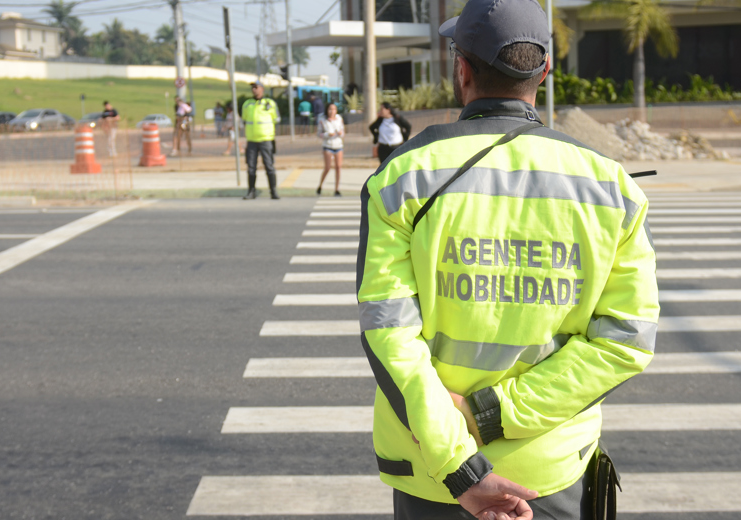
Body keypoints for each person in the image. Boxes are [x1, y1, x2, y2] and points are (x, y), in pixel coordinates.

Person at [355, 1, 660, 519]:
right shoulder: (611, 187)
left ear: (462, 69)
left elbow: (391, 337)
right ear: (544, 70)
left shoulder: (403, 177)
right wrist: (495, 415)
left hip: (436, 478)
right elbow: (625, 341)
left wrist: (462, 468)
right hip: (547, 475)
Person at [241, 82, 280, 199]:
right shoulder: (247, 104)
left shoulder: (270, 103)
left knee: (269, 166)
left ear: (262, 89)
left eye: (256, 87)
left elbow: (276, 119)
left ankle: (273, 191)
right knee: (251, 167)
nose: (254, 90)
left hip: (266, 139)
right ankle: (251, 191)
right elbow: (244, 120)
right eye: (252, 88)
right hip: (252, 140)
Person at [316, 102, 344, 197]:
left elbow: (343, 132)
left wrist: (340, 133)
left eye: (334, 109)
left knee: (338, 167)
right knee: (327, 168)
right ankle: (320, 186)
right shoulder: (323, 120)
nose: (332, 111)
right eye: (330, 109)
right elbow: (319, 134)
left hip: (338, 145)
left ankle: (337, 189)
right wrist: (328, 134)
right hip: (328, 146)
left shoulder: (339, 119)